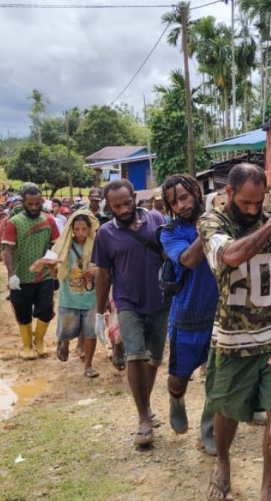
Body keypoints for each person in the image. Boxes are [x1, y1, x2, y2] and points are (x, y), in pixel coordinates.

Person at [198, 163, 271, 501]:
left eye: (259, 203)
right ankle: (222, 463)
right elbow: (232, 256)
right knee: (225, 408)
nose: (253, 210)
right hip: (233, 337)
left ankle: (267, 489)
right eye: (246, 203)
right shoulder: (212, 221)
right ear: (229, 194)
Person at [91, 178, 169, 448]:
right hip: (127, 303)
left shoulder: (156, 219)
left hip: (159, 301)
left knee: (153, 359)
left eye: (126, 203)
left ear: (135, 197)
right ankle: (143, 419)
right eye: (116, 206)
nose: (122, 209)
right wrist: (99, 312)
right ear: (108, 206)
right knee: (135, 356)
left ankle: (146, 407)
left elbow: (168, 254)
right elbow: (103, 274)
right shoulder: (105, 234)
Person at [158, 174, 219, 456]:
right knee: (178, 379)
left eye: (184, 197)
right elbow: (189, 260)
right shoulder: (169, 233)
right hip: (186, 316)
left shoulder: (220, 218)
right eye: (174, 202)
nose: (181, 205)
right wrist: (208, 224)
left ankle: (209, 431)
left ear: (195, 192)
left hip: (220, 315)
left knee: (218, 379)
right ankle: (176, 400)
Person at [34, 210, 101, 377]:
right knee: (67, 330)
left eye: (84, 229)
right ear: (71, 229)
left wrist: (95, 271)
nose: (80, 233)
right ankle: (64, 344)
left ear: (90, 228)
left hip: (91, 297)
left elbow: (106, 267)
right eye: (77, 229)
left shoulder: (97, 246)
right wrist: (50, 266)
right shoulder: (63, 246)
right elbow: (55, 274)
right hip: (69, 297)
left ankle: (88, 366)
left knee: (91, 332)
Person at [1, 183, 60, 360]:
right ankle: (27, 346)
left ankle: (39, 341)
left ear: (42, 201)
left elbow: (55, 245)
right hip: (22, 277)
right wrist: (11, 274)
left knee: (46, 309)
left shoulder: (49, 221)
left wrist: (52, 264)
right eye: (30, 204)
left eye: (37, 204)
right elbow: (8, 250)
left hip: (45, 276)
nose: (34, 207)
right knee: (23, 312)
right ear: (23, 202)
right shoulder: (14, 223)